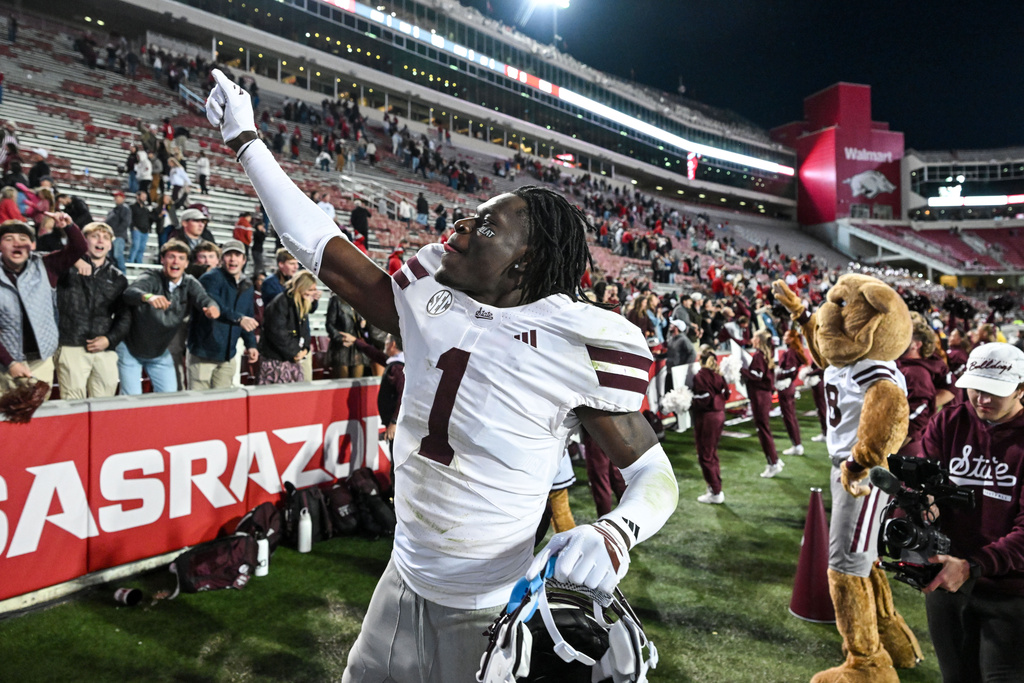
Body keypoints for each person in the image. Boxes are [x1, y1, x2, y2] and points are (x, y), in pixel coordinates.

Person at [205, 69, 678, 683]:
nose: (458, 226)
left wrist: (617, 531)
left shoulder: (573, 342)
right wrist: (248, 141)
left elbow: (652, 473)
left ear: (525, 260)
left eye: (484, 224)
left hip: (488, 606)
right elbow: (322, 249)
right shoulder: (432, 296)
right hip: (402, 578)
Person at [921, 342, 1024, 681]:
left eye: (995, 391)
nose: (982, 399)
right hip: (947, 579)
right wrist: (922, 502)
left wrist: (972, 566)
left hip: (1010, 593)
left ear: (1021, 389)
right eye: (976, 388)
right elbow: (920, 475)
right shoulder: (948, 421)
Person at [118, 240, 219, 394]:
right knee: (131, 401)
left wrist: (213, 307)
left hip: (159, 352)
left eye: (181, 258)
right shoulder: (150, 277)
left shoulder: (189, 282)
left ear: (186, 264)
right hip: (131, 349)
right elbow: (130, 293)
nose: (176, 261)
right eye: (171, 257)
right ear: (162, 260)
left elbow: (204, 298)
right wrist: (148, 297)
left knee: (170, 398)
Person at [0, 214, 86, 393]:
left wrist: (68, 226)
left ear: (33, 245)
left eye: (23, 238)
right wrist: (10, 363)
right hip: (4, 365)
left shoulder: (46, 265)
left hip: (41, 361)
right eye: (9, 239)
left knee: (40, 416)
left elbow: (78, 249)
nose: (17, 243)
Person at [55, 222, 129, 399]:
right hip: (71, 344)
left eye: (105, 237)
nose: (100, 241)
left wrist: (109, 339)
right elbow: (47, 255)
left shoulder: (118, 278)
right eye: (95, 236)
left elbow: (124, 316)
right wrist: (73, 258)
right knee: (73, 405)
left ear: (111, 244)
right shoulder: (65, 269)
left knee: (105, 407)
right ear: (84, 241)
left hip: (104, 349)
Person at [187, 240, 258, 390]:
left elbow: (248, 315)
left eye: (237, 255)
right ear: (221, 259)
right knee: (199, 404)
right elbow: (217, 307)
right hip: (204, 353)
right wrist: (239, 319)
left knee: (222, 405)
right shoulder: (210, 278)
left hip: (228, 355)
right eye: (228, 255)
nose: (233, 259)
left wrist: (251, 344)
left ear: (244, 260)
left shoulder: (247, 284)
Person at [897, 314, 954, 457]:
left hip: (907, 446)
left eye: (906, 336)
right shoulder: (907, 366)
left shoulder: (915, 372)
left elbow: (919, 412)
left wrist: (897, 443)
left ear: (917, 344)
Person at [257, 270, 315, 384]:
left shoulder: (302, 303)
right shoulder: (281, 302)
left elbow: (305, 331)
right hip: (275, 361)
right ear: (301, 287)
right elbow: (277, 332)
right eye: (310, 289)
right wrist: (295, 352)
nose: (313, 293)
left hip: (293, 360)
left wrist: (305, 349)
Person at [742, 329, 783, 478]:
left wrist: (741, 370)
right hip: (763, 395)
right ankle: (774, 459)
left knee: (763, 429)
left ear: (758, 340)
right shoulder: (766, 354)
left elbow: (757, 376)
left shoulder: (759, 355)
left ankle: (772, 463)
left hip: (760, 395)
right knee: (764, 428)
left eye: (754, 337)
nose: (752, 339)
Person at [691, 345, 730, 504]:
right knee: (712, 453)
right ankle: (715, 487)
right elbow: (727, 394)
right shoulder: (718, 374)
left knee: (704, 455)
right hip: (720, 414)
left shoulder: (701, 375)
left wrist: (689, 400)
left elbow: (704, 399)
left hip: (707, 417)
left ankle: (715, 491)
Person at [777, 328, 808, 456]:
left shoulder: (790, 352)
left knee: (789, 418)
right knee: (791, 417)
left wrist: (776, 373)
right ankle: (797, 444)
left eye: (786, 335)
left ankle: (797, 445)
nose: (784, 337)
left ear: (792, 339)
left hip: (786, 387)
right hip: (790, 386)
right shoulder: (793, 351)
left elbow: (790, 371)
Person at [105, 190, 132, 273]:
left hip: (118, 236)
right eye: (115, 197)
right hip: (111, 237)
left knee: (117, 255)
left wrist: (115, 233)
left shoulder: (125, 209)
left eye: (118, 197)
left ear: (123, 198)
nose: (116, 198)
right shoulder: (113, 210)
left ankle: (123, 274)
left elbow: (125, 222)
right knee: (111, 257)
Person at [128, 190, 153, 264]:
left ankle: (139, 262)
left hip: (145, 230)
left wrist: (149, 228)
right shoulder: (132, 207)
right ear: (138, 197)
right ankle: (131, 261)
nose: (144, 199)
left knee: (142, 248)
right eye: (143, 197)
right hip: (137, 229)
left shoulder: (146, 209)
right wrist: (133, 227)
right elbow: (130, 218)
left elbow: (149, 219)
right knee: (135, 246)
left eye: (145, 197)